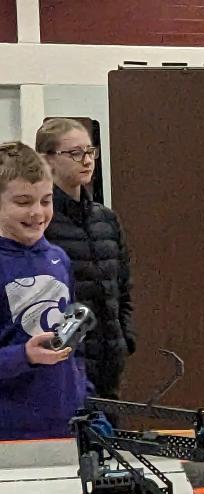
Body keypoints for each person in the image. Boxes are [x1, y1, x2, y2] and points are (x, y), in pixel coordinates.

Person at [0, 141, 149, 494]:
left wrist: (86, 404)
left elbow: (68, 342)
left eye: (41, 201)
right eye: (20, 202)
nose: (36, 213)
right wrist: (22, 360)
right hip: (12, 444)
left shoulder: (57, 257)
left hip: (70, 430)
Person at [35, 118, 135, 399]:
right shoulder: (42, 221)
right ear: (47, 159)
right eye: (74, 153)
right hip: (66, 359)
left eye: (90, 151)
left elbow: (124, 286)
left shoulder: (106, 219)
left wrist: (126, 337)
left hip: (109, 357)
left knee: (108, 435)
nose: (87, 160)